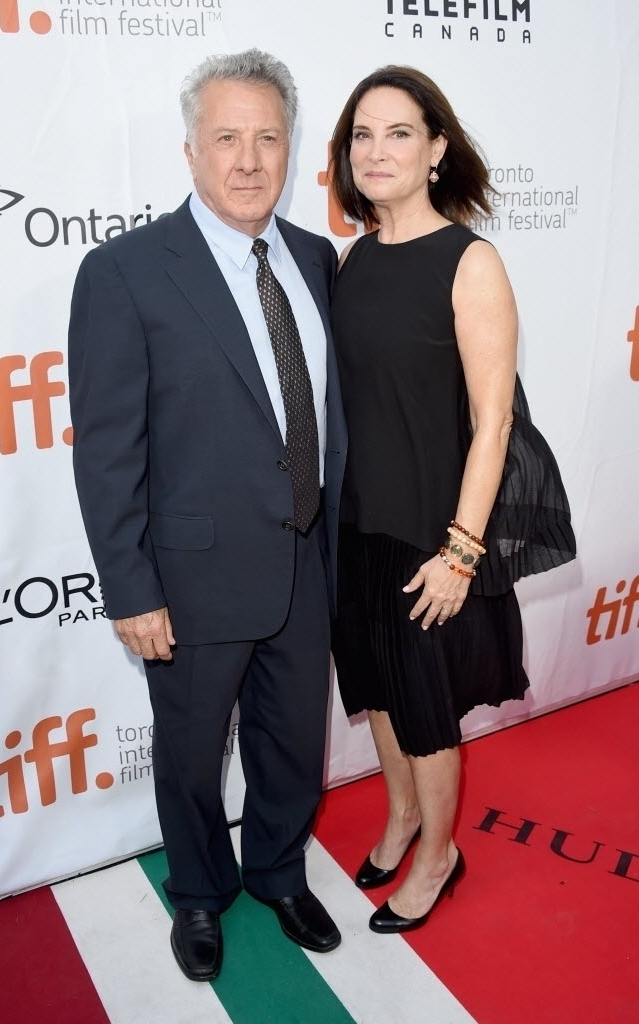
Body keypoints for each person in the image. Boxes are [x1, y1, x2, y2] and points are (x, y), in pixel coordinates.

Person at [68, 48, 347, 982]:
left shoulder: (313, 256)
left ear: (289, 147)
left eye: (268, 138)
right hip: (187, 581)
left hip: (306, 562)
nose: (248, 160)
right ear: (189, 149)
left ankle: (275, 869)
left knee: (292, 744)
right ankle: (199, 890)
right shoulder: (126, 273)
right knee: (190, 758)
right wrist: (132, 588)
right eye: (226, 138)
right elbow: (107, 452)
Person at [329, 66, 575, 934]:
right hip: (355, 528)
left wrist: (463, 549)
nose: (377, 149)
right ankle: (402, 821)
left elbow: (495, 419)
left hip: (432, 534)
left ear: (436, 150)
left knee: (426, 710)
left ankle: (440, 853)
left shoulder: (471, 260)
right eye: (363, 133)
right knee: (382, 693)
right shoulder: (352, 258)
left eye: (399, 132)